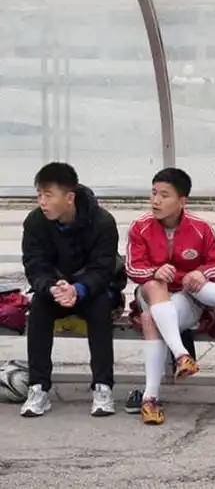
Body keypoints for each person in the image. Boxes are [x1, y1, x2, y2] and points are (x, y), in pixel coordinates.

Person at [125, 167, 215, 425]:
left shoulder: (200, 228)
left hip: (184, 299)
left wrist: (200, 273)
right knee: (155, 285)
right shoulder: (140, 227)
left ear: (182, 201)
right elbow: (133, 268)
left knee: (150, 319)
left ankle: (150, 399)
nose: (156, 200)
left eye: (164, 195)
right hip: (149, 293)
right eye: (154, 193)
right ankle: (181, 354)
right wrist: (154, 271)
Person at [21, 162, 122, 418]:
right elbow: (35, 265)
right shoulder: (35, 222)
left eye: (48, 195)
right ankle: (38, 387)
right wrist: (52, 287)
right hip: (55, 290)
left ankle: (102, 387)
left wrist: (78, 288)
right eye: (39, 195)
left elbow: (103, 268)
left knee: (100, 308)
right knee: (38, 308)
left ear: (69, 198)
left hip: (91, 290)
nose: (42, 202)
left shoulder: (102, 222)